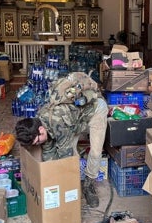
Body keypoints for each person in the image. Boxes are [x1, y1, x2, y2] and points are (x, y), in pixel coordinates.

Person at [14, 72, 108, 208]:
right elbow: (48, 152)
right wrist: (47, 179)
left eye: (37, 142)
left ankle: (88, 183)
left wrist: (63, 190)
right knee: (69, 150)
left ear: (41, 130)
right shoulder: (41, 120)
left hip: (95, 110)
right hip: (75, 120)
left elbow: (66, 159)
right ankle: (74, 185)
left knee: (95, 152)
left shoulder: (59, 124)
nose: (38, 144)